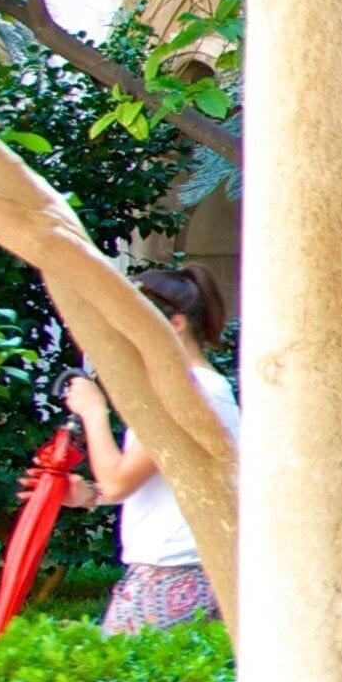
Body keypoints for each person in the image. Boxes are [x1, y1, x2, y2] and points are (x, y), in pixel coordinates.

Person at [65, 263, 239, 634]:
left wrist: (94, 411)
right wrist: (89, 495)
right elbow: (168, 477)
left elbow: (117, 483)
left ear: (175, 325)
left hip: (174, 573)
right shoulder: (203, 387)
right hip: (179, 569)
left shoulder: (190, 391)